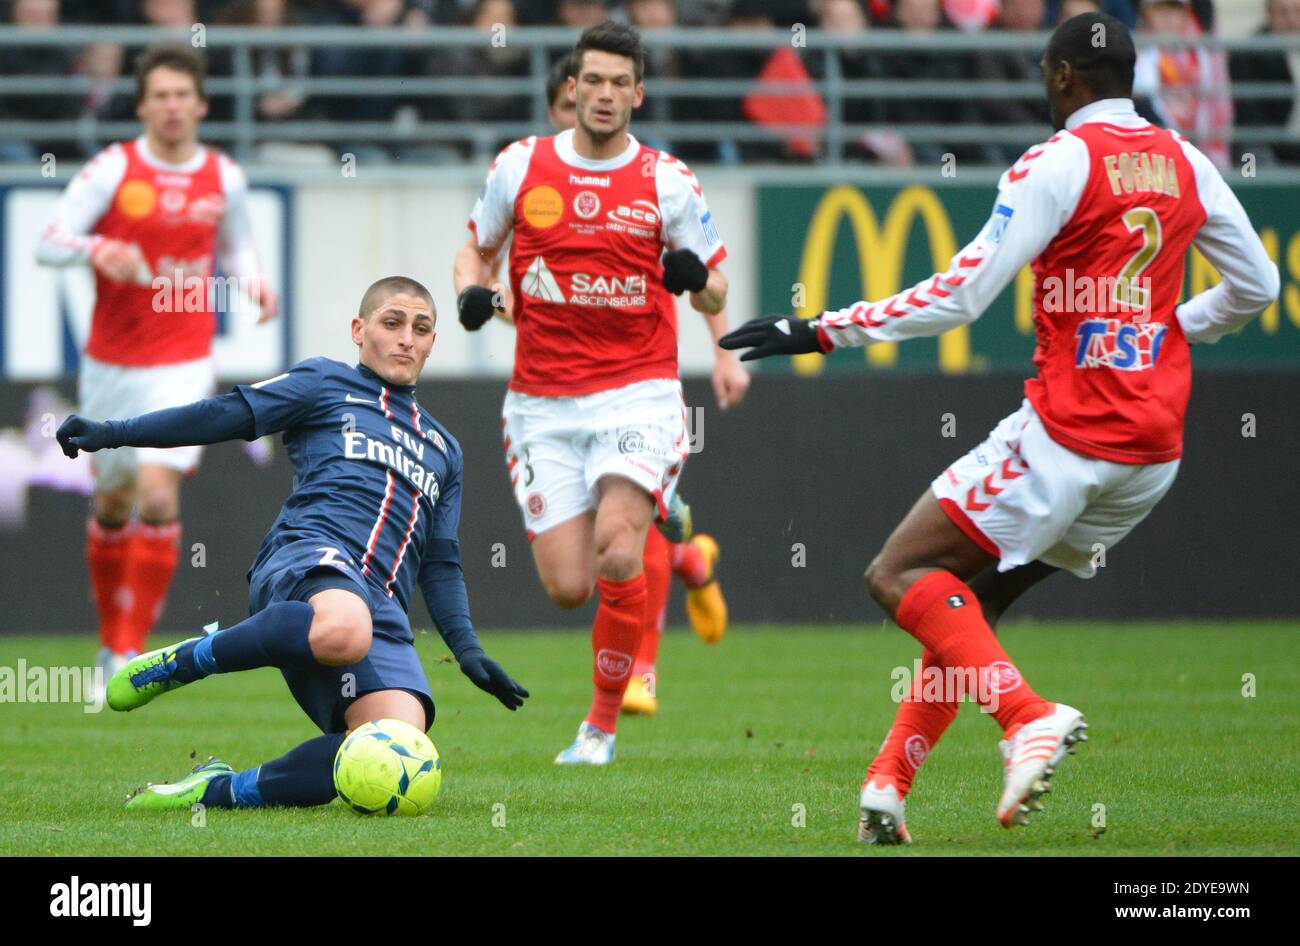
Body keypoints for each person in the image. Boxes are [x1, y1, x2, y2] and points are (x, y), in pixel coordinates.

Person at [721, 12, 1279, 843]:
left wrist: (819, 329)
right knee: (970, 605)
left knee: (897, 572)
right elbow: (1260, 285)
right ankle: (887, 785)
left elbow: (963, 296)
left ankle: (1026, 717)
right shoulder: (1186, 161)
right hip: (1151, 456)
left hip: (1070, 433)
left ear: (1061, 78)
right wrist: (1166, 326)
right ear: (1135, 76)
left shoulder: (1058, 161)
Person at [55, 276, 529, 810]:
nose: (406, 339)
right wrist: (116, 432)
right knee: (345, 628)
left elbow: (440, 564)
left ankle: (215, 791)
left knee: (392, 748)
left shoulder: (445, 447)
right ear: (359, 329)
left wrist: (468, 652)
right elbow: (225, 415)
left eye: (421, 328)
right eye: (391, 322)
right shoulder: (324, 383)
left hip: (382, 610)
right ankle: (188, 660)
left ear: (433, 341)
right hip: (309, 557)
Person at [453, 22, 746, 763]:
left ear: (638, 94)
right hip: (541, 405)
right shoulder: (520, 168)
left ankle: (600, 728)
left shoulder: (667, 180)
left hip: (637, 393)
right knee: (567, 586)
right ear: (572, 89)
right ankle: (670, 521)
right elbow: (476, 251)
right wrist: (471, 292)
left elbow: (716, 287)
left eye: (622, 83)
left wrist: (694, 282)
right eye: (596, 81)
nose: (607, 94)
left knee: (619, 552)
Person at [36, 45, 277, 699]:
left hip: (184, 359)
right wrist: (98, 245)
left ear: (200, 104)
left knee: (158, 495)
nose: (172, 107)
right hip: (111, 363)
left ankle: (128, 651)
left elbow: (237, 244)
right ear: (143, 104)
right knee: (112, 503)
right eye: (160, 96)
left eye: (182, 95)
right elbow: (48, 239)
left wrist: (254, 283)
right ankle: (109, 635)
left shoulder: (223, 176)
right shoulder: (113, 169)